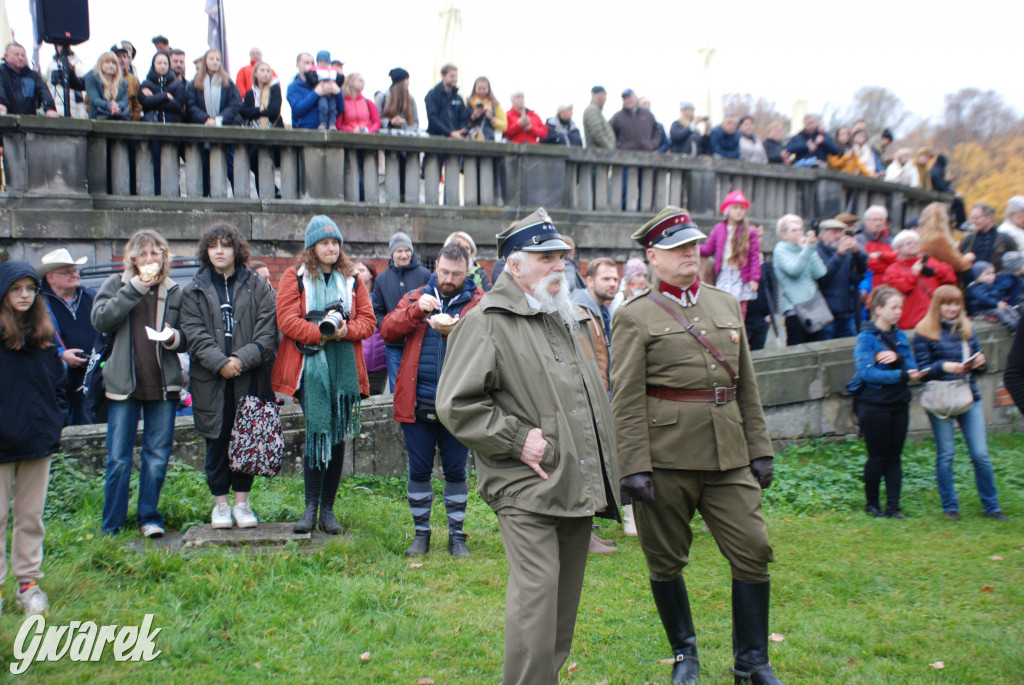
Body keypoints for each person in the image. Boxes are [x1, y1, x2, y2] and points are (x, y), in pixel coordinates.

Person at [437, 208, 620, 685]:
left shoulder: (567, 315)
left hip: (573, 485)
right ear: (514, 266)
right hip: (524, 486)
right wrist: (518, 440)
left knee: (560, 615)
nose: (559, 264)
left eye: (560, 256)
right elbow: (456, 404)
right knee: (537, 604)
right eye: (546, 257)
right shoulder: (486, 322)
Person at [610, 206, 783, 685]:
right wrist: (633, 466)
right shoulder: (634, 315)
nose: (690, 253)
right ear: (653, 256)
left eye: (692, 245)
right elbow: (624, 398)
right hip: (665, 459)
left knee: (753, 547)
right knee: (665, 558)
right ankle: (685, 653)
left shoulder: (725, 304)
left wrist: (760, 447)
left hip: (729, 455)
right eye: (677, 248)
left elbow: (745, 383)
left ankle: (752, 663)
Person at [271, 216, 376, 535]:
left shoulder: (353, 280)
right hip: (309, 369)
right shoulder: (295, 277)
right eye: (324, 243)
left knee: (339, 439)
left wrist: (344, 331)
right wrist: (320, 334)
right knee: (318, 433)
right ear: (312, 248)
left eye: (335, 243)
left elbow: (369, 321)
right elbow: (286, 320)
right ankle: (310, 508)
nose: (330, 248)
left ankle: (328, 509)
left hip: (344, 370)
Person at [381, 243, 485, 558]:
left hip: (459, 404)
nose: (449, 278)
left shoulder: (478, 305)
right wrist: (416, 311)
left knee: (456, 471)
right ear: (435, 266)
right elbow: (386, 331)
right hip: (418, 401)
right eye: (444, 271)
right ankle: (421, 535)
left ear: (468, 270)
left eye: (457, 273)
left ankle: (457, 537)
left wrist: (457, 329)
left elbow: (491, 343)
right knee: (419, 470)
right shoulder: (415, 297)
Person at [180, 223, 278, 530]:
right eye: (213, 246)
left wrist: (240, 359)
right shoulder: (194, 289)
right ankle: (220, 505)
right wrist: (220, 363)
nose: (219, 251)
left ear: (236, 248)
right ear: (206, 251)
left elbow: (267, 331)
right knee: (217, 440)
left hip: (247, 377)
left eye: (225, 245)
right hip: (211, 378)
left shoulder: (257, 285)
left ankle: (242, 503)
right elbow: (193, 334)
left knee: (245, 439)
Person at [91, 229, 186, 538]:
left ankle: (149, 517)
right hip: (123, 385)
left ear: (164, 258)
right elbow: (102, 320)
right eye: (143, 253)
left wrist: (174, 338)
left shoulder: (174, 291)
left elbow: (187, 336)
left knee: (157, 456)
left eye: (155, 253)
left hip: (162, 384)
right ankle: (112, 525)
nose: (149, 259)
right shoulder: (116, 285)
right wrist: (133, 289)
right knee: (118, 458)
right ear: (132, 258)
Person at [0, 261, 66, 615]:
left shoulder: (43, 336)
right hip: (2, 443)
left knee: (30, 516)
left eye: (30, 289)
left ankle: (27, 583)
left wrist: (55, 420)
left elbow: (57, 385)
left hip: (37, 439)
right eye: (16, 289)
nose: (24, 295)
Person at [913, 285, 1010, 522]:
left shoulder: (967, 329)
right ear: (938, 306)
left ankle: (992, 506)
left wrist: (980, 364)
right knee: (946, 453)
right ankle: (950, 506)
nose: (952, 308)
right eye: (947, 304)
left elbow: (981, 366)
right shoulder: (924, 332)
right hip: (940, 398)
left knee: (980, 454)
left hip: (968, 396)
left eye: (956, 303)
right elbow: (922, 372)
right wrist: (943, 367)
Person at [848, 286, 921, 519]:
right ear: (879, 309)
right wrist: (900, 375)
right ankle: (872, 504)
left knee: (895, 457)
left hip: (899, 402)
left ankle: (893, 507)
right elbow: (867, 373)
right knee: (877, 457)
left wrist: (899, 359)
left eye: (900, 307)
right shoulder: (866, 338)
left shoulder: (899, 336)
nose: (899, 312)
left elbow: (912, 366)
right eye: (893, 307)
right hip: (875, 404)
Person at [571, 257, 624, 549]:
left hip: (599, 394)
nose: (612, 283)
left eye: (615, 279)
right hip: (587, 398)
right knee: (585, 466)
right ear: (588, 280)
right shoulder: (580, 310)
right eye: (605, 279)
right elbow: (584, 361)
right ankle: (583, 537)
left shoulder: (597, 309)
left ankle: (586, 532)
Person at [37, 248, 98, 426]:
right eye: (67, 272)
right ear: (51, 277)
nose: (74, 275)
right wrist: (61, 355)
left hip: (95, 379)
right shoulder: (38, 304)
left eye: (75, 270)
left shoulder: (92, 297)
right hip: (61, 385)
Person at [371, 232, 432, 391]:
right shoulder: (382, 279)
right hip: (394, 344)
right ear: (392, 253)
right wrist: (385, 327)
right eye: (399, 251)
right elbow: (377, 310)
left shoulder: (425, 274)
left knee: (422, 387)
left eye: (407, 250)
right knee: (398, 390)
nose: (404, 255)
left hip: (420, 342)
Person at [700, 190, 761, 316]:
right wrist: (693, 247)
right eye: (735, 208)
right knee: (723, 305)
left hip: (741, 275)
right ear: (727, 210)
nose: (739, 211)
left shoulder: (750, 232)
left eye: (742, 208)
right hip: (725, 273)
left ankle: (738, 334)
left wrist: (754, 278)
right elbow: (708, 249)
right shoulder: (719, 229)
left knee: (740, 309)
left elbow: (754, 256)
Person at [882, 230, 956, 330]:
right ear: (898, 247)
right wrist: (913, 275)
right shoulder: (893, 269)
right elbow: (898, 289)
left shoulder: (929, 261)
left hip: (937, 318)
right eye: (909, 243)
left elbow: (951, 277)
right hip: (911, 322)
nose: (913, 245)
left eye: (916, 242)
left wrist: (935, 271)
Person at [773, 214, 827, 345]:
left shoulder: (805, 248)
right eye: (793, 230)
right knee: (797, 349)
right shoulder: (780, 250)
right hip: (795, 311)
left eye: (800, 229)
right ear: (783, 234)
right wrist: (808, 249)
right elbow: (794, 271)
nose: (798, 233)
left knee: (815, 348)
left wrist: (809, 249)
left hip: (812, 308)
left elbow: (821, 272)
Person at [815, 219, 867, 339]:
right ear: (822, 235)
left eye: (840, 232)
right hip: (826, 314)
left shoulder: (847, 251)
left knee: (848, 349)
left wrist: (857, 252)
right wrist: (839, 255)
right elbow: (823, 278)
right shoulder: (816, 252)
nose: (838, 236)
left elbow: (863, 268)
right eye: (834, 232)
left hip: (847, 311)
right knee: (827, 349)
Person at [353, 260, 387, 395]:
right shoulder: (349, 298)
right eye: (355, 271)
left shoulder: (381, 297)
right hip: (356, 364)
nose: (357, 274)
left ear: (371, 274)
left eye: (361, 270)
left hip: (379, 362)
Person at [186, 49, 242, 127]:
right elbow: (191, 105)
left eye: (217, 59)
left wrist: (218, 120)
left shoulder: (228, 83)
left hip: (225, 126)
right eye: (211, 59)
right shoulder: (194, 83)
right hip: (201, 126)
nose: (215, 62)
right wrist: (206, 119)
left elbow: (235, 104)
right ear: (205, 61)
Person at [286, 52, 342, 130]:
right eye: (306, 62)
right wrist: (315, 93)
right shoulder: (293, 86)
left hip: (327, 132)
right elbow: (297, 110)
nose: (310, 65)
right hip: (304, 133)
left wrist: (338, 93)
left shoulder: (325, 80)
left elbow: (340, 109)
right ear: (297, 64)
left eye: (313, 63)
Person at [0, 43, 58, 116]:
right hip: (6, 118)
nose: (20, 58)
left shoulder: (33, 76)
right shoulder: (1, 72)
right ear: (6, 56)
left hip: (28, 119)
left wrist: (50, 108)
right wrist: (1, 103)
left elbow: (43, 91)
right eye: (16, 55)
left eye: (23, 55)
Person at [961, 202, 1017, 273]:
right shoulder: (967, 240)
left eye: (977, 218)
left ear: (990, 217)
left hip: (999, 282)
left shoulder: (1006, 239)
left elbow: (1015, 265)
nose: (973, 221)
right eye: (972, 218)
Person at [140, 52, 186, 123]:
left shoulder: (177, 85)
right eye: (159, 63)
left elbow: (177, 106)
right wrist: (165, 96)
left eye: (165, 63)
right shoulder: (146, 84)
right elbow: (145, 103)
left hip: (173, 126)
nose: (163, 66)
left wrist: (153, 98)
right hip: (151, 125)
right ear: (154, 65)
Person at [44, 44, 87, 119]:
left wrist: (71, 71)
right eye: (59, 45)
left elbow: (80, 86)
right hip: (54, 106)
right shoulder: (52, 63)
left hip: (72, 107)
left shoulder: (77, 63)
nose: (62, 47)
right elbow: (47, 82)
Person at [425, 64, 468, 138]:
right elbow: (433, 119)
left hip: (456, 140)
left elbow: (463, 118)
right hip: (437, 139)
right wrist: (450, 133)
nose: (455, 79)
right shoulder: (433, 95)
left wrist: (463, 130)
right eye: (452, 76)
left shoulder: (458, 98)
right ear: (443, 75)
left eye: (456, 76)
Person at [84, 52, 129, 120]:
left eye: (113, 63)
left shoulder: (123, 83)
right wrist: (109, 105)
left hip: (118, 118)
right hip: (97, 119)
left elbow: (124, 101)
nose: (111, 65)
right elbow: (95, 99)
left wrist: (116, 106)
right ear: (100, 64)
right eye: (107, 62)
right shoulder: (91, 79)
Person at [308, 50, 345, 131]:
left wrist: (341, 75)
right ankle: (323, 123)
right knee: (323, 107)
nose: (323, 63)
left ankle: (332, 124)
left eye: (325, 61)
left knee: (332, 109)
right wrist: (308, 72)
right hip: (322, 94)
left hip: (332, 95)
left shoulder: (332, 71)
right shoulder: (315, 71)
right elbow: (312, 80)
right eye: (320, 61)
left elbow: (339, 82)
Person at [240, 61, 283, 128]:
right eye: (262, 70)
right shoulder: (250, 93)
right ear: (255, 73)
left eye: (268, 71)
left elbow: (274, 112)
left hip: (273, 130)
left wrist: (255, 111)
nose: (265, 73)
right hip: (253, 129)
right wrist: (260, 109)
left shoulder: (275, 89)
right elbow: (244, 112)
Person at [376, 68, 419, 133]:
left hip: (406, 138)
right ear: (400, 82)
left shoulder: (411, 99)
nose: (408, 82)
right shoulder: (382, 98)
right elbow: (376, 119)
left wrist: (407, 129)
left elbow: (415, 121)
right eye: (406, 79)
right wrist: (390, 122)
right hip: (386, 137)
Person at [465, 76, 506, 141]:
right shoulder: (469, 103)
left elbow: (504, 126)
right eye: (479, 88)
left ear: (488, 89)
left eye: (484, 89)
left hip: (489, 139)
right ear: (475, 88)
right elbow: (462, 123)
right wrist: (473, 116)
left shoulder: (495, 104)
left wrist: (491, 118)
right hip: (472, 139)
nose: (481, 91)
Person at [111, 42, 142, 121]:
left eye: (125, 56)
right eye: (118, 56)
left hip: (127, 123)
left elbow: (137, 105)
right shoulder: (100, 77)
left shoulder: (133, 80)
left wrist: (133, 121)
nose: (122, 60)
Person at [582, 85, 615, 150]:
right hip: (598, 154)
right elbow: (597, 133)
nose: (605, 99)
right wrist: (610, 149)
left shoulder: (596, 111)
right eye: (604, 95)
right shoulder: (592, 110)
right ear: (600, 95)